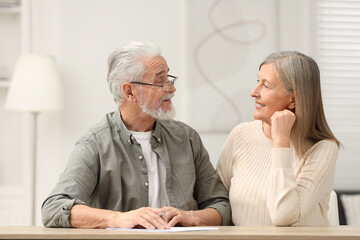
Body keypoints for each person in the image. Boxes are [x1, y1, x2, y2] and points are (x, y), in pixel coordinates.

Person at [42, 41, 231, 229]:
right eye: (160, 81)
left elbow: (221, 206)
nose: (171, 88)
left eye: (169, 78)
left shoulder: (187, 138)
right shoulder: (94, 144)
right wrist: (118, 219)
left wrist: (191, 217)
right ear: (129, 91)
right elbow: (54, 208)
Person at [217, 51, 340, 226]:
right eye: (257, 81)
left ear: (293, 100)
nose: (254, 92)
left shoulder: (323, 148)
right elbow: (218, 201)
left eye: (265, 85)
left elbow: (283, 217)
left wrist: (281, 142)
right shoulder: (240, 135)